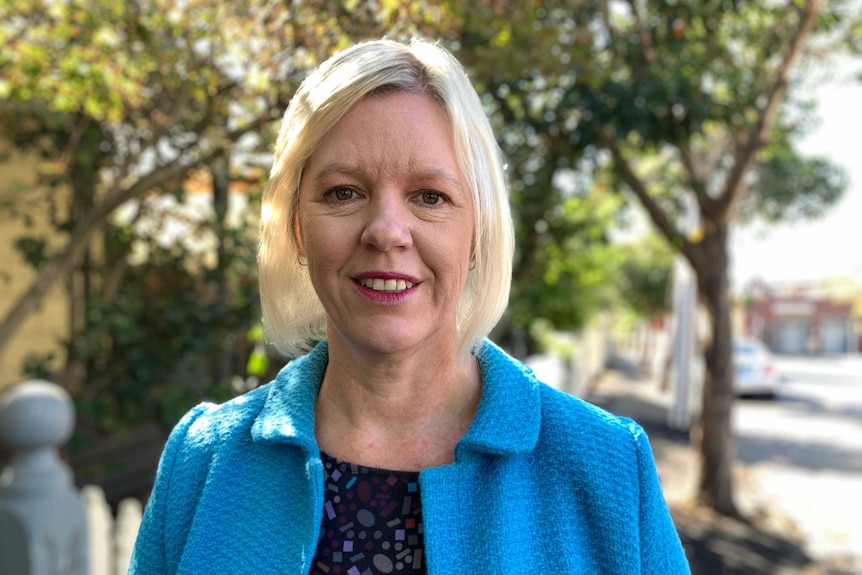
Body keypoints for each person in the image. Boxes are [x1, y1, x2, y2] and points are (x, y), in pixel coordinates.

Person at [129, 38, 690, 574]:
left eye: (430, 196)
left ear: (478, 233)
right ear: (297, 227)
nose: (387, 231)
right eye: (344, 192)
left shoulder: (609, 470)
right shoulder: (202, 463)